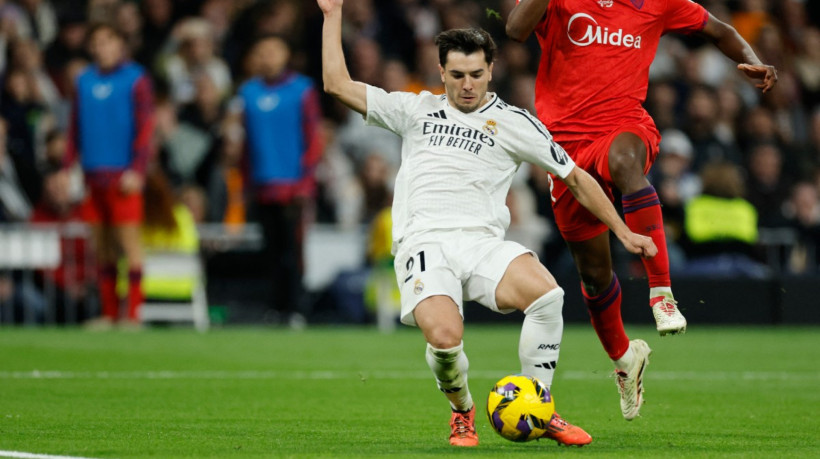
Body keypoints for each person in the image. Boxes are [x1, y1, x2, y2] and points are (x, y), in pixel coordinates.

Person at [318, 0, 656, 447]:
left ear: (491, 70)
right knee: (444, 338)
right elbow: (336, 84)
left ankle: (539, 406)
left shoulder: (516, 123)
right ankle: (463, 412)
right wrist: (331, 15)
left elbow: (575, 177)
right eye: (457, 75)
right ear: (441, 73)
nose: (467, 85)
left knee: (548, 295)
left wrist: (622, 229)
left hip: (482, 243)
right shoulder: (414, 109)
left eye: (476, 74)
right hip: (425, 242)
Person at [507, 0, 777, 420]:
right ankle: (624, 358)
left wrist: (753, 60)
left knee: (626, 164)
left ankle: (662, 294)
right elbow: (515, 30)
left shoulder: (659, 3)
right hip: (563, 150)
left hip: (624, 123)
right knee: (594, 275)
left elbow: (720, 29)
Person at [225, 35, 323, 327]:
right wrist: (244, 183)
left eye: (273, 51)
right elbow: (243, 144)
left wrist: (306, 182)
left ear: (285, 55)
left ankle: (296, 309)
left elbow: (313, 138)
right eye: (262, 52)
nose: (267, 58)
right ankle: (275, 308)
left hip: (292, 186)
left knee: (292, 251)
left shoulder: (302, 90)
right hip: (261, 184)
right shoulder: (248, 92)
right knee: (269, 251)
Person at [64, 23, 155, 328]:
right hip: (93, 172)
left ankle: (133, 314)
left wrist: (138, 169)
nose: (101, 48)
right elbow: (74, 127)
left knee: (129, 245)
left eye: (108, 42)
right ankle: (108, 311)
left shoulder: (135, 79)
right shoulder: (84, 81)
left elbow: (145, 127)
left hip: (123, 174)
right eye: (97, 42)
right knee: (101, 247)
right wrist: (68, 167)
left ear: (120, 45)